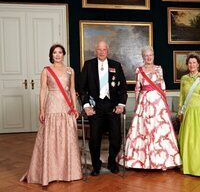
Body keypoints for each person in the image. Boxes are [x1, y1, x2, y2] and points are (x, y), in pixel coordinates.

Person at [20, 44, 82, 186]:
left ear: (63, 54)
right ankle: (50, 172)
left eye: (60, 52)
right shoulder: (46, 71)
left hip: (66, 106)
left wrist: (74, 107)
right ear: (51, 55)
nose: (58, 55)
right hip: (52, 104)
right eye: (55, 53)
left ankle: (68, 172)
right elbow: (43, 90)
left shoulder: (70, 70)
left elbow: (72, 90)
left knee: (67, 137)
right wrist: (41, 109)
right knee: (51, 137)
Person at [118, 46, 181, 170]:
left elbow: (162, 85)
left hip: (158, 102)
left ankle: (163, 162)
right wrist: (137, 105)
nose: (148, 57)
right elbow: (137, 88)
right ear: (143, 57)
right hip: (144, 101)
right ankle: (138, 161)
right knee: (142, 130)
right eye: (146, 55)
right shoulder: (139, 70)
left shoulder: (159, 68)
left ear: (153, 56)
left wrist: (164, 102)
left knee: (160, 130)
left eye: (150, 55)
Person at [79, 40, 127, 176]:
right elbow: (82, 88)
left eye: (104, 49)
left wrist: (121, 104)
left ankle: (112, 162)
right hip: (95, 108)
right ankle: (96, 165)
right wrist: (87, 106)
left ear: (108, 50)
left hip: (112, 107)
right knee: (94, 139)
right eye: (99, 49)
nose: (101, 52)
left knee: (116, 138)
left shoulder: (116, 65)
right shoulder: (89, 65)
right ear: (96, 50)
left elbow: (123, 88)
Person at [177, 52, 200, 176]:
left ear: (198, 64)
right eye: (190, 63)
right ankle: (188, 167)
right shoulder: (184, 78)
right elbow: (181, 96)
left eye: (194, 63)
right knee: (186, 140)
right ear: (187, 65)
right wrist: (180, 111)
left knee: (197, 141)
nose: (192, 65)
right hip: (187, 113)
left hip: (198, 113)